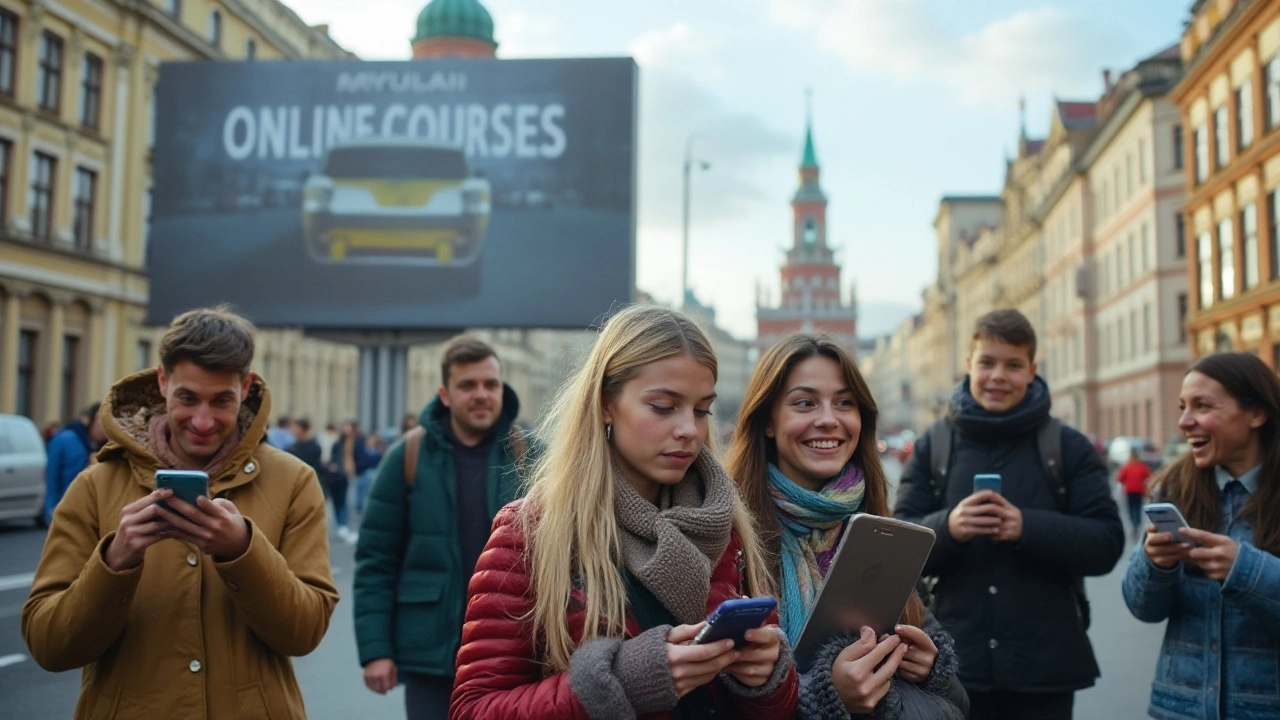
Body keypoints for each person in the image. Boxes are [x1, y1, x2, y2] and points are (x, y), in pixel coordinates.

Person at [451, 305, 797, 719]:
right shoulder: (530, 531)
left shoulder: (725, 524)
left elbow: (773, 710)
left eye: (702, 410)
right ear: (605, 404)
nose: (689, 428)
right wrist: (622, 680)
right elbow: (473, 709)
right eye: (664, 407)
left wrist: (767, 680)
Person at [21, 306, 337, 719]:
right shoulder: (95, 484)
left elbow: (304, 632)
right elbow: (49, 646)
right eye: (187, 398)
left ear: (245, 387)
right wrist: (115, 561)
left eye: (221, 400)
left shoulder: (293, 481)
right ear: (163, 381)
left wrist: (242, 551)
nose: (202, 421)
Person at [894, 308, 1124, 720]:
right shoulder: (935, 444)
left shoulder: (1068, 446)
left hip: (1044, 671)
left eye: (1013, 365)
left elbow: (1106, 543)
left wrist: (1026, 527)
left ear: (1032, 370)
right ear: (969, 366)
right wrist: (949, 527)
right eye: (987, 362)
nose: (998, 375)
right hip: (951, 666)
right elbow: (898, 544)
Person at [726, 333, 968, 719]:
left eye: (844, 403)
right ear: (768, 421)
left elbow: (955, 700)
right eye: (805, 403)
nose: (828, 419)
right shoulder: (728, 535)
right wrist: (827, 695)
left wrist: (930, 668)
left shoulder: (875, 524)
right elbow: (712, 700)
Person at [354, 335, 529, 720]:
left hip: (514, 651)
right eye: (468, 385)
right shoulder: (408, 455)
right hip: (430, 656)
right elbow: (376, 560)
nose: (481, 394)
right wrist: (376, 650)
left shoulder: (529, 454)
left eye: (490, 384)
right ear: (445, 394)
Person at [1122, 352, 1280, 720]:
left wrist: (1244, 569)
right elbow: (1141, 608)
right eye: (1182, 407)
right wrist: (1155, 564)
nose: (1184, 421)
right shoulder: (1174, 488)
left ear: (1256, 413)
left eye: (1202, 406)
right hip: (1180, 708)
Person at [43, 402, 106, 525]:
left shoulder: (102, 445)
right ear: (90, 420)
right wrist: (51, 509)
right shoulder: (65, 439)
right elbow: (51, 476)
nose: (105, 428)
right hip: (64, 507)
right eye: (101, 421)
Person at [326, 420, 373, 544]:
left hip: (352, 474)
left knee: (349, 501)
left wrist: (358, 468)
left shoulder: (357, 442)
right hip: (339, 474)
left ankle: (344, 525)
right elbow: (333, 457)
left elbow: (362, 457)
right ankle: (341, 525)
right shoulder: (338, 443)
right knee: (340, 500)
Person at [1117, 447, 1152, 540]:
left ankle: (1133, 524)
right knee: (1138, 508)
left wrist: (1125, 483)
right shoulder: (1142, 466)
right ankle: (1137, 523)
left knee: (1131, 508)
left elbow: (1120, 478)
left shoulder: (1127, 466)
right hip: (1139, 491)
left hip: (1129, 491)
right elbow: (1148, 476)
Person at [288, 416, 325, 481]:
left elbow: (316, 467)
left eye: (295, 427)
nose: (292, 430)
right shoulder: (292, 447)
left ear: (301, 429)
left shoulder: (314, 447)